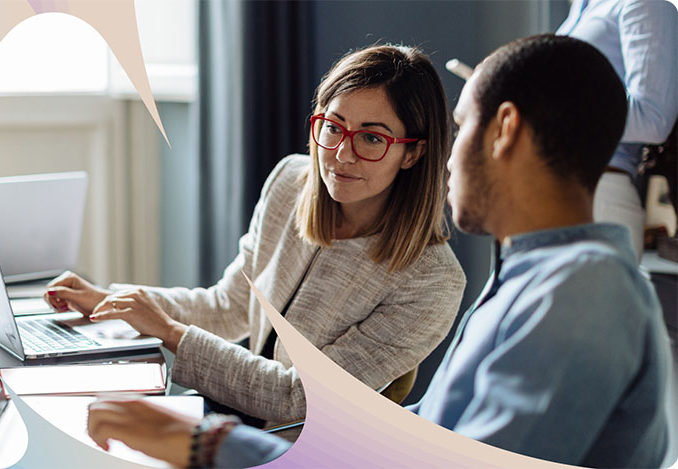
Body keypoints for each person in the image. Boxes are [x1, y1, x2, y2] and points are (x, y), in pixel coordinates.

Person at [85, 35, 674, 469]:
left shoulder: (580, 297)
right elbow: (418, 438)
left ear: (504, 131)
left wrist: (210, 447)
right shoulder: (537, 277)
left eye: (461, 127)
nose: (447, 158)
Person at [46, 45, 466, 432]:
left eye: (372, 138)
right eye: (333, 127)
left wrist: (169, 331)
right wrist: (113, 302)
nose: (341, 154)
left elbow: (297, 397)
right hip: (223, 418)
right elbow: (228, 306)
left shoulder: (431, 282)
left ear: (413, 153)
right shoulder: (290, 183)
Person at [557, 0, 678, 259]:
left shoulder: (645, 4)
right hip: (558, 186)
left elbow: (652, 118)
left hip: (598, 195)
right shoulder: (583, 6)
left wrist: (548, 108)